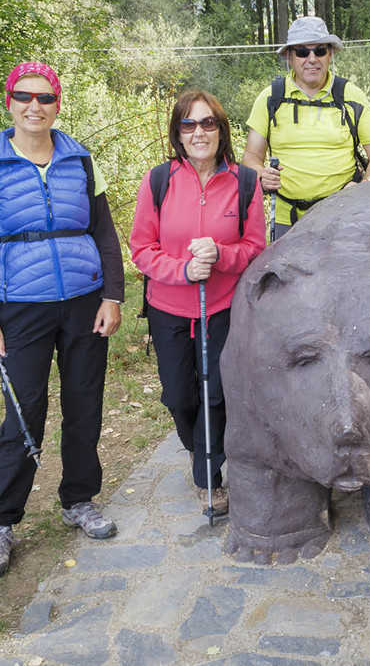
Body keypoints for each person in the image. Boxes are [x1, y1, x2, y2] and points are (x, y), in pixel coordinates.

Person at [0, 62, 124, 580]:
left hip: (84, 301)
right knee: (23, 413)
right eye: (24, 96)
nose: (35, 106)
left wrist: (113, 297)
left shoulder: (80, 158)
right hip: (21, 309)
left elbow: (104, 232)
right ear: (9, 101)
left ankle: (78, 500)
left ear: (58, 103)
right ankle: (2, 522)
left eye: (45, 97)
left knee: (84, 404)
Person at [129, 91, 265, 515]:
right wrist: (182, 270)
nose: (199, 132)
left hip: (222, 308)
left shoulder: (245, 181)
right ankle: (197, 449)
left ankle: (210, 475)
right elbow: (140, 249)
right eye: (189, 125)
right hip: (169, 309)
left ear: (221, 130)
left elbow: (255, 248)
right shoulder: (158, 181)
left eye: (208, 123)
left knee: (217, 395)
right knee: (179, 398)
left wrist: (222, 257)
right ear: (178, 133)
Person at [242, 16, 370, 238]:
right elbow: (251, 155)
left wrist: (367, 184)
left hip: (343, 215)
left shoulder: (351, 96)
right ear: (290, 57)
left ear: (330, 55)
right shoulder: (271, 97)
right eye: (302, 52)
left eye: (319, 50)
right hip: (286, 218)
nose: (312, 58)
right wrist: (261, 174)